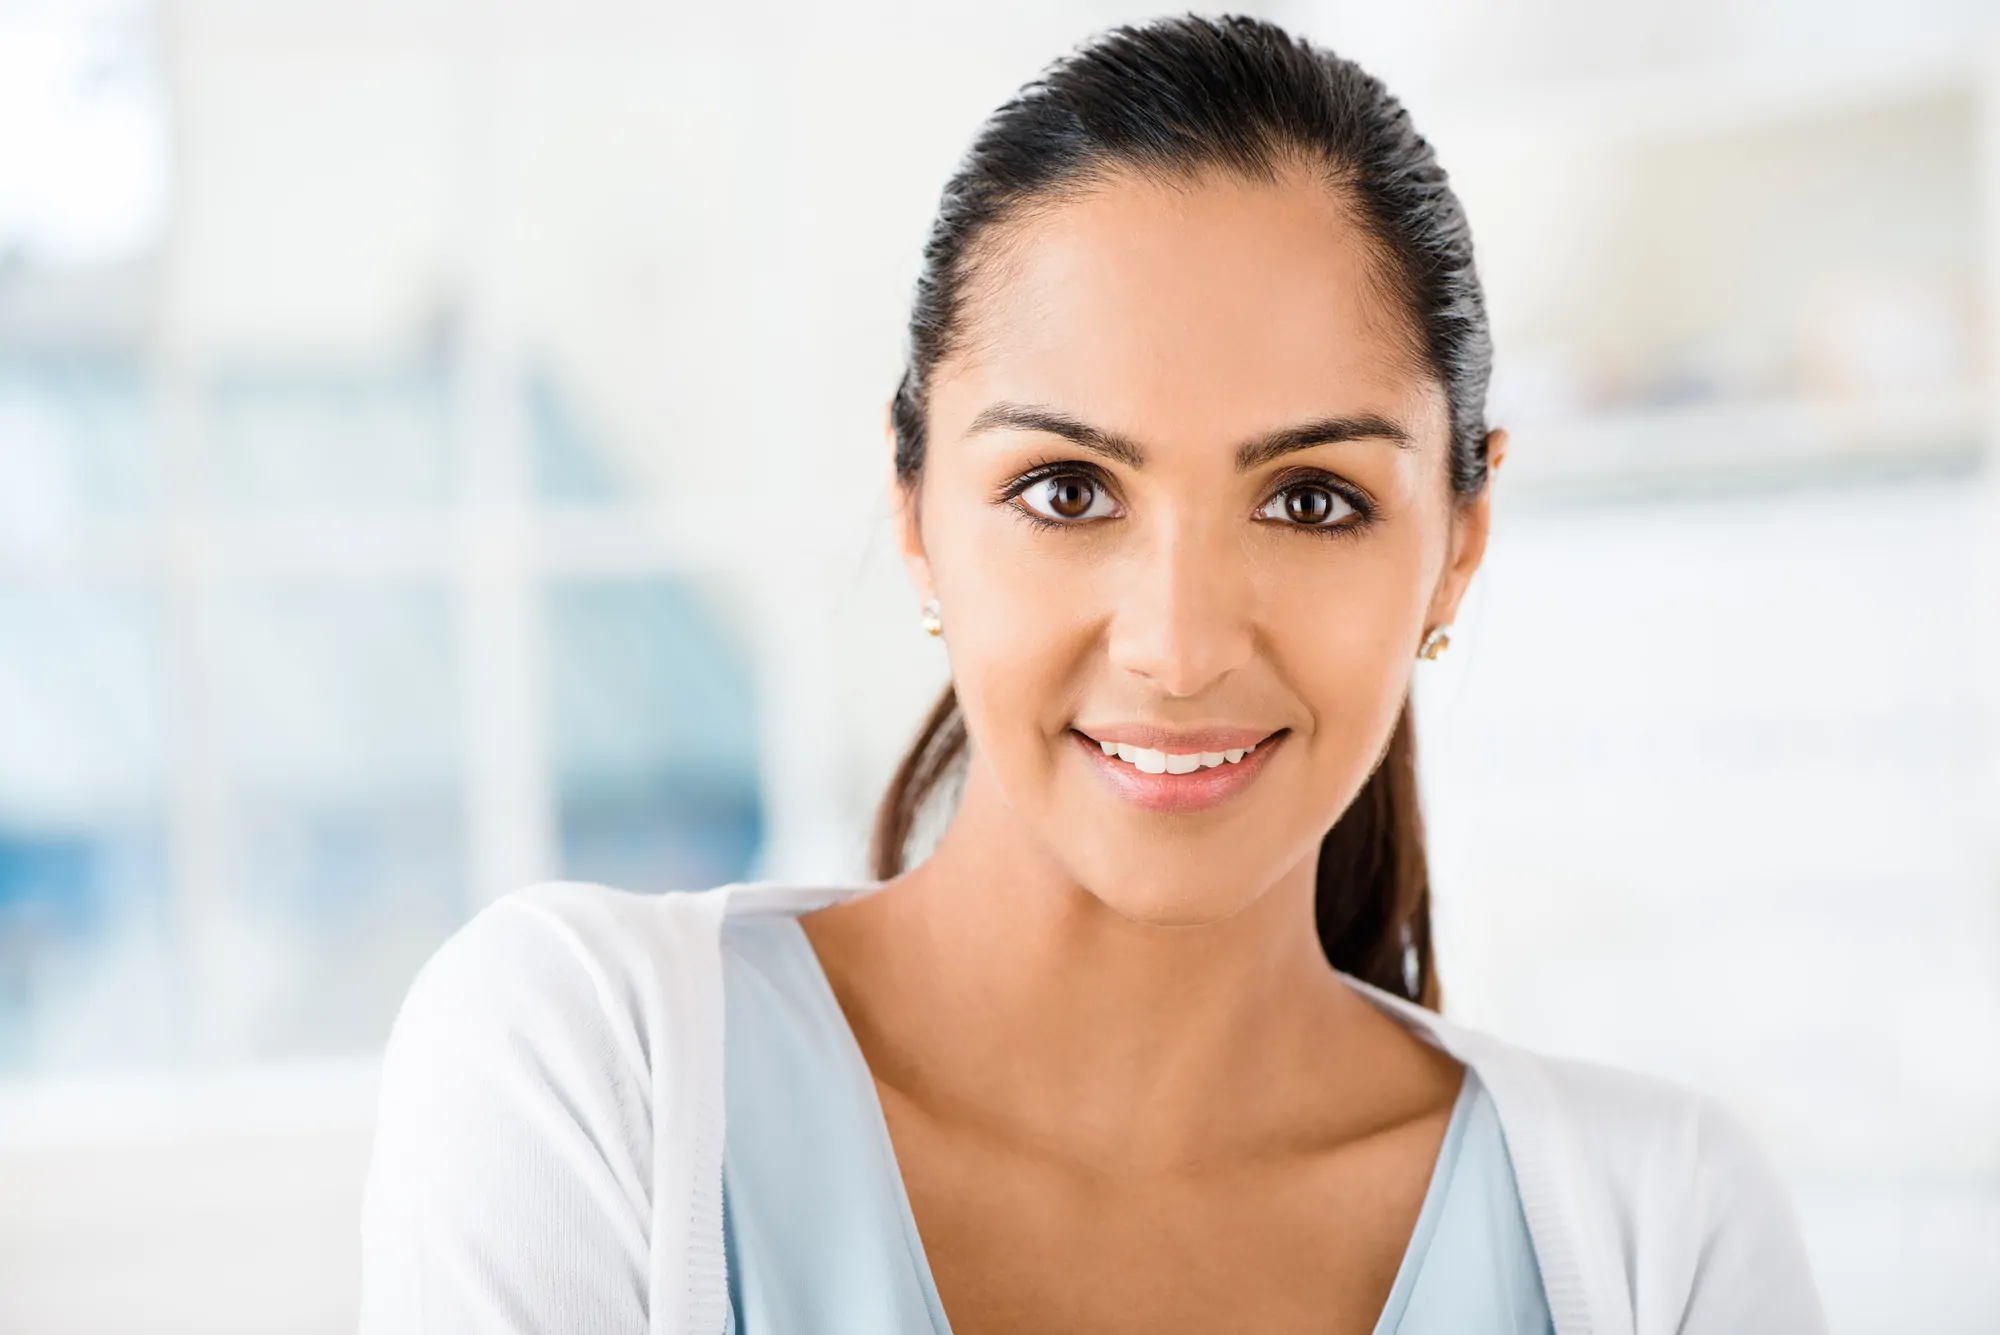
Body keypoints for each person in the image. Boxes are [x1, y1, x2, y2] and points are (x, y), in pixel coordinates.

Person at [358, 15, 1825, 1334]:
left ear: (1459, 540)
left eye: (1311, 498)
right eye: (1067, 490)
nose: (1179, 647)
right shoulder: (599, 1068)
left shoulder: (1662, 1230)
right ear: (914, 504)